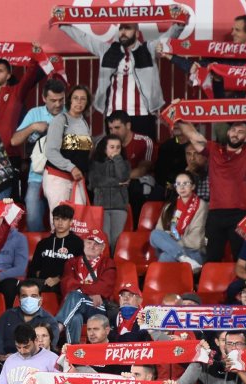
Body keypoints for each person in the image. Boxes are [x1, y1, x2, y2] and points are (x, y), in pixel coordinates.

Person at [57, 19, 185, 137]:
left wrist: (179, 24)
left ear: (136, 33)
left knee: (145, 155)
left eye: (127, 28)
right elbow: (84, 38)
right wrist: (62, 24)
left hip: (143, 115)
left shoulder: (148, 49)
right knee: (114, 155)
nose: (123, 32)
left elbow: (166, 39)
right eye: (121, 29)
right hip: (114, 115)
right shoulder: (106, 50)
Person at [177, 119, 246, 263]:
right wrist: (178, 116)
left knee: (241, 259)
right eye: (233, 130)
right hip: (215, 214)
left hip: (240, 215)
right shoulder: (214, 149)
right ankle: (208, 284)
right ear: (228, 132)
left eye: (241, 132)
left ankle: (243, 285)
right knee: (212, 258)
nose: (235, 134)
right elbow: (193, 135)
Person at [13, 79, 69, 232]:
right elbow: (14, 140)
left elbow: (85, 144)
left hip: (62, 176)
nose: (58, 104)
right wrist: (33, 127)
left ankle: (57, 250)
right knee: (32, 215)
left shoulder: (70, 113)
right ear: (44, 98)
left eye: (61, 100)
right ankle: (39, 250)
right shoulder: (34, 113)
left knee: (60, 219)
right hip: (37, 176)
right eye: (53, 100)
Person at [41, 86, 93, 212]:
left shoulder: (85, 123)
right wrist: (72, 167)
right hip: (58, 178)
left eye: (83, 99)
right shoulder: (60, 120)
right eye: (75, 98)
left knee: (79, 221)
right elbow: (51, 151)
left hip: (76, 179)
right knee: (60, 219)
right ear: (69, 101)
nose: (79, 102)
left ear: (87, 103)